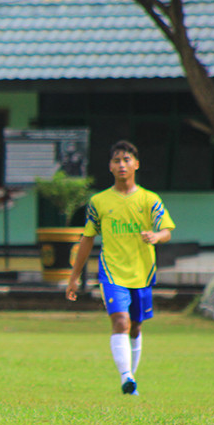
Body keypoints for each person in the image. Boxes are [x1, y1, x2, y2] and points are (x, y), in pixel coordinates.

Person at [66, 140, 175, 395]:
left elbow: (167, 230)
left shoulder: (149, 199)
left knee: (135, 326)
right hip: (112, 272)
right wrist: (74, 277)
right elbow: (87, 239)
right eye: (117, 160)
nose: (122, 164)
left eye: (127, 160)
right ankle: (126, 377)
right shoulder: (99, 202)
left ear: (136, 164)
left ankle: (131, 377)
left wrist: (156, 236)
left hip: (142, 272)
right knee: (121, 321)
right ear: (110, 167)